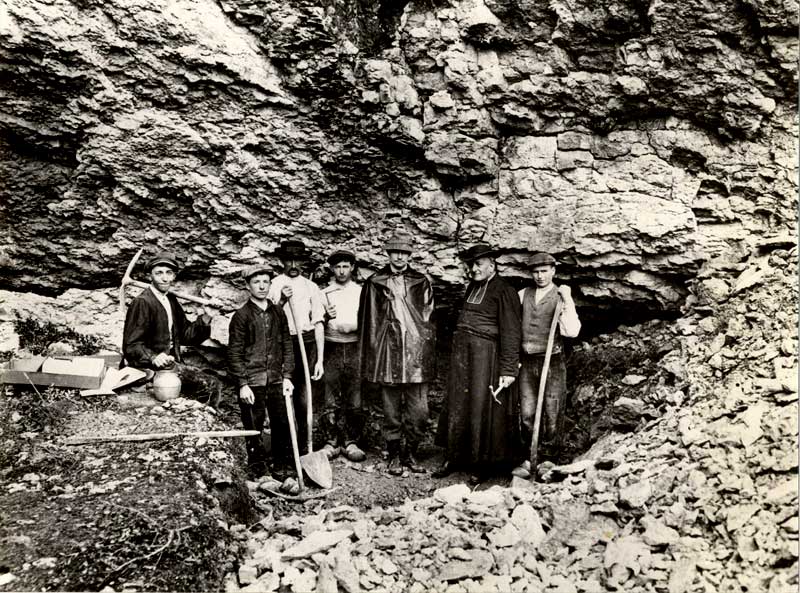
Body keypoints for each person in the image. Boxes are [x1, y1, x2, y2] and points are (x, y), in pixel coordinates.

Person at [434, 244, 521, 484]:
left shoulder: (505, 291)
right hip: (463, 356)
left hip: (485, 358)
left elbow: (511, 332)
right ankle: (454, 457)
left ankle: (480, 463)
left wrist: (508, 369)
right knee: (458, 403)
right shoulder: (472, 287)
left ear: (492, 265)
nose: (473, 269)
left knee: (480, 407)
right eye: (471, 265)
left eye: (478, 264)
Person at [358, 230, 435, 476]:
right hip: (388, 355)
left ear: (409, 255)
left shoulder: (420, 282)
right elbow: (369, 322)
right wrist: (373, 355)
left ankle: (410, 453)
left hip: (415, 356)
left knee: (419, 411)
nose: (399, 257)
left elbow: (428, 320)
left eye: (403, 252)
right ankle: (393, 455)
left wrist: (423, 352)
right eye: (395, 252)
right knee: (390, 411)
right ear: (388, 254)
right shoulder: (375, 282)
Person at [122, 251, 222, 406]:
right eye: (159, 273)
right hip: (148, 368)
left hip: (171, 364)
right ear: (150, 276)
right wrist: (153, 357)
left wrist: (207, 316)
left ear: (174, 276)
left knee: (212, 381)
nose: (164, 278)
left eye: (169, 273)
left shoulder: (170, 299)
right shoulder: (142, 302)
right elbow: (131, 345)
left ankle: (206, 416)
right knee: (211, 385)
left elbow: (187, 336)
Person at [513, 251, 581, 479]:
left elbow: (572, 331)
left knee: (552, 410)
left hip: (552, 361)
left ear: (553, 271)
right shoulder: (523, 295)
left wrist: (567, 301)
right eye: (535, 272)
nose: (540, 276)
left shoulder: (560, 296)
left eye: (544, 271)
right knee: (527, 412)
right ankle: (529, 457)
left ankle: (549, 458)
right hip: (527, 361)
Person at [227, 265, 295, 478]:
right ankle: (258, 469)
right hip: (252, 381)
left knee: (281, 423)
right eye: (256, 282)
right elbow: (234, 353)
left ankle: (282, 466)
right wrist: (242, 384)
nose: (262, 286)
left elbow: (287, 345)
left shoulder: (278, 312)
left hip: (276, 379)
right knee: (253, 425)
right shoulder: (241, 316)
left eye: (266, 281)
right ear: (248, 286)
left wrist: (287, 376)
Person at [268, 239, 325, 453]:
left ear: (303, 262)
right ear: (281, 261)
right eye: (288, 260)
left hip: (305, 344)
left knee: (303, 398)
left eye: (297, 260)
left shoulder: (311, 287)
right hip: (281, 344)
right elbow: (268, 320)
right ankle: (283, 449)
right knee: (281, 397)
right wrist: (282, 301)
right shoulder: (273, 285)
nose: (293, 265)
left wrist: (319, 359)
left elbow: (318, 323)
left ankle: (303, 448)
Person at [320, 249, 367, 462]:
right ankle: (331, 442)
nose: (341, 271)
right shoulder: (324, 293)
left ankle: (350, 441)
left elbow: (368, 319)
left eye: (345, 266)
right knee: (330, 396)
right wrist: (325, 316)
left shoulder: (360, 292)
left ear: (352, 268)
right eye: (337, 267)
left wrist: (355, 327)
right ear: (331, 268)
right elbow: (315, 321)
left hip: (355, 346)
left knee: (354, 397)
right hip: (331, 347)